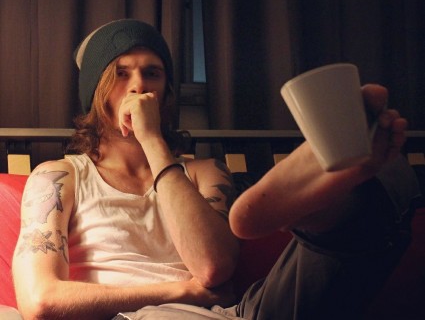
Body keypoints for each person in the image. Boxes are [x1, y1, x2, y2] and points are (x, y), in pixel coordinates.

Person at [12, 19, 421, 320]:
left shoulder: (204, 172)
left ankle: (332, 209)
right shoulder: (59, 176)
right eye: (121, 73)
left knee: (388, 175)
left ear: (167, 93)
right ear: (95, 92)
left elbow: (212, 265)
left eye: (153, 73)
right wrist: (186, 292)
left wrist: (153, 142)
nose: (139, 86)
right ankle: (328, 215)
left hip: (236, 314)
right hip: (135, 317)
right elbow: (41, 301)